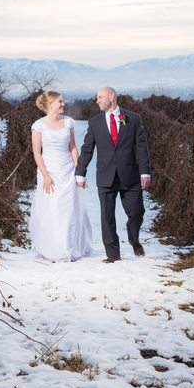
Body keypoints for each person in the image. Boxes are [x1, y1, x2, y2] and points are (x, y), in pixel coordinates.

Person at [75, 86, 150, 263]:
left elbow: (141, 147)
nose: (97, 101)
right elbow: (87, 150)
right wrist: (80, 173)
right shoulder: (94, 123)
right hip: (105, 175)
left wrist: (145, 172)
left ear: (112, 97)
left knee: (137, 212)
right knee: (107, 216)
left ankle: (133, 238)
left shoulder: (133, 118)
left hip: (130, 174)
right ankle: (113, 253)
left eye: (100, 97)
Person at [29, 91, 93, 262]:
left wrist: (79, 172)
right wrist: (45, 175)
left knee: (70, 208)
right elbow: (37, 153)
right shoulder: (38, 126)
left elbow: (72, 147)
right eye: (60, 102)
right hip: (49, 171)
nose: (63, 104)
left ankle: (69, 245)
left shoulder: (68, 123)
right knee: (52, 207)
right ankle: (53, 247)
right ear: (50, 105)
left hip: (68, 171)